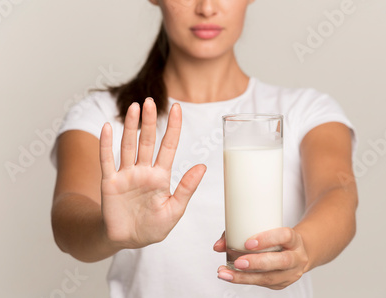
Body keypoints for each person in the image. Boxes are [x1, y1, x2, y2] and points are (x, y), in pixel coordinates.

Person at [50, 1, 359, 297]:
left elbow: (338, 193)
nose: (207, 8)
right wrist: (107, 230)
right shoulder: (103, 114)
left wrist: (302, 248)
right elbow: (69, 212)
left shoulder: (306, 110)